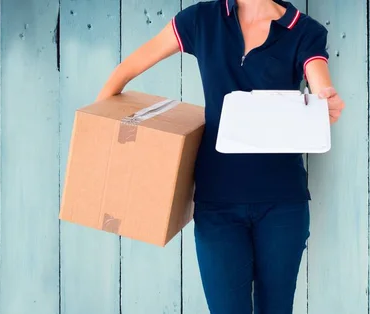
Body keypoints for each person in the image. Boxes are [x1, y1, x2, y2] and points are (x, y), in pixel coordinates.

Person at [96, 0, 345, 313]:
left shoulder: (303, 30)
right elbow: (127, 69)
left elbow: (320, 82)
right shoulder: (202, 19)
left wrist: (325, 101)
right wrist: (98, 127)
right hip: (217, 205)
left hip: (282, 205)